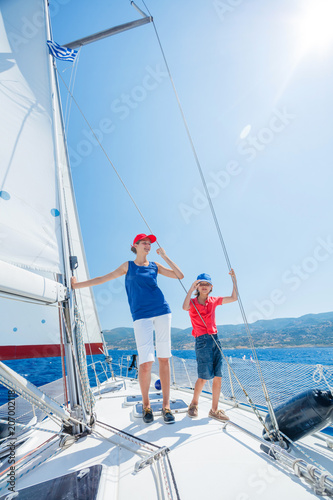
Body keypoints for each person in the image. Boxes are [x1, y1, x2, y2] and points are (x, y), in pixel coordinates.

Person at [71, 233, 184, 424]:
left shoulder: (155, 265)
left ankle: (166, 407)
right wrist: (77, 285)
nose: (148, 246)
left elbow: (179, 275)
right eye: (144, 243)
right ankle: (146, 405)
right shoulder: (128, 266)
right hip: (141, 316)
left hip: (162, 311)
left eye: (150, 243)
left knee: (164, 359)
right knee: (146, 362)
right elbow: (102, 279)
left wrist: (164, 256)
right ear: (135, 245)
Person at [182, 270, 237, 421]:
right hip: (202, 341)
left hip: (215, 339)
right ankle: (193, 404)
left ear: (211, 287)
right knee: (203, 377)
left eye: (207, 284)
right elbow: (184, 307)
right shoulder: (192, 303)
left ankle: (214, 410)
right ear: (197, 287)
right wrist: (190, 289)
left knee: (218, 377)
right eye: (201, 284)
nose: (204, 286)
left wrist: (234, 280)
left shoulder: (213, 301)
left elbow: (234, 298)